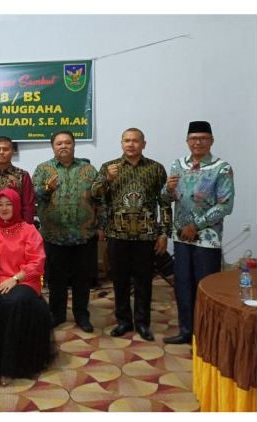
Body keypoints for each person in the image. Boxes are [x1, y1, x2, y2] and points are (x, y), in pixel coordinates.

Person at [91, 128, 171, 341]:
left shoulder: (155, 169)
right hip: (117, 234)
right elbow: (95, 196)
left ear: (144, 144)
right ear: (121, 143)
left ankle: (143, 323)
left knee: (144, 281)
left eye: (135, 141)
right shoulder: (109, 167)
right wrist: (107, 179)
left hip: (146, 235)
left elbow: (164, 203)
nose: (131, 144)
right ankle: (124, 321)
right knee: (120, 281)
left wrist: (164, 233)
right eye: (127, 140)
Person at [0, 188, 51, 392]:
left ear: (16, 206)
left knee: (16, 301)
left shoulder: (29, 230)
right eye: (0, 204)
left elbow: (37, 263)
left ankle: (10, 366)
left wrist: (15, 279)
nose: (4, 208)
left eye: (9, 204)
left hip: (24, 280)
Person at [162, 121, 235, 345]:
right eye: (193, 138)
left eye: (203, 138)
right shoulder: (177, 165)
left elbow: (225, 205)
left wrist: (196, 225)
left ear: (211, 141)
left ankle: (207, 335)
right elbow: (166, 198)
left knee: (206, 286)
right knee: (183, 285)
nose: (198, 142)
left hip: (207, 239)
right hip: (181, 237)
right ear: (187, 141)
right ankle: (186, 331)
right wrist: (168, 189)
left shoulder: (221, 168)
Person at [33, 131, 103, 333]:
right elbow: (34, 195)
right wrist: (47, 189)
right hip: (54, 235)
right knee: (56, 279)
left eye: (67, 142)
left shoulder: (88, 169)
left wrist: (101, 226)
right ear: (52, 147)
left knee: (83, 279)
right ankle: (57, 314)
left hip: (83, 235)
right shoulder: (43, 169)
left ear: (74, 145)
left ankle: (81, 314)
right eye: (59, 143)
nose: (63, 146)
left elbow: (100, 198)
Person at [0, 136, 35, 231]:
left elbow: (28, 205)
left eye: (5, 149)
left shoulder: (23, 175)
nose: (1, 152)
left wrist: (28, 229)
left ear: (12, 152)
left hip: (18, 228)